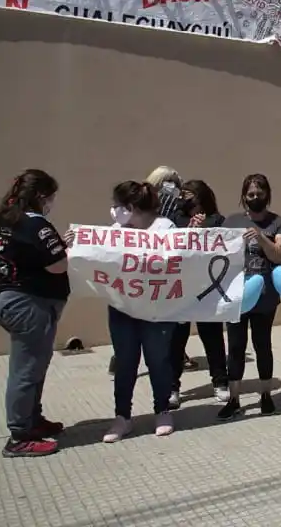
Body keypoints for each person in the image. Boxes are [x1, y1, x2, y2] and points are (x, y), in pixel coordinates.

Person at [0, 169, 70, 458]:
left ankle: (33, 420)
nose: (52, 202)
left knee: (33, 366)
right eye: (51, 197)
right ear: (40, 196)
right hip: (29, 303)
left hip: (7, 297)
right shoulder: (37, 225)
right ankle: (19, 434)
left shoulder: (2, 219)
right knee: (27, 370)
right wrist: (67, 250)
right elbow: (57, 264)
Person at [103, 181, 178, 442]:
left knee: (158, 360)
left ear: (131, 207)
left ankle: (163, 410)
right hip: (122, 308)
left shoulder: (165, 228)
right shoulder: (115, 230)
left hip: (156, 309)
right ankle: (122, 417)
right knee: (125, 362)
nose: (113, 211)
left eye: (117, 205)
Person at [214, 174, 281, 419]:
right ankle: (234, 398)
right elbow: (215, 252)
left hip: (265, 295)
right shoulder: (232, 221)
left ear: (267, 194)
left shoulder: (278, 222)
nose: (255, 198)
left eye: (259, 193)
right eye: (250, 194)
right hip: (236, 295)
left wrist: (260, 236)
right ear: (243, 197)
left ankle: (266, 394)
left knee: (262, 344)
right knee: (235, 346)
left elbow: (280, 255)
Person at [168, 179, 224, 409]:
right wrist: (188, 232)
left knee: (212, 336)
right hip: (180, 287)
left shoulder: (216, 220)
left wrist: (204, 232)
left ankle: (220, 382)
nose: (183, 198)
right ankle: (172, 386)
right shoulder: (175, 219)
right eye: (182, 195)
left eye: (188, 194)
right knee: (176, 339)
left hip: (206, 287)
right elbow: (170, 248)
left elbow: (223, 249)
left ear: (200, 196)